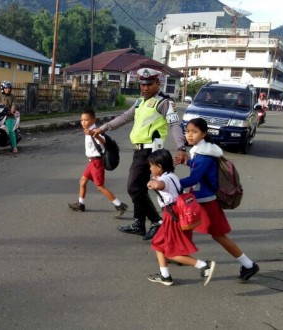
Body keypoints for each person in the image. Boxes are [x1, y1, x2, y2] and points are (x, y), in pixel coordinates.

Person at [93, 68, 188, 240]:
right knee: (140, 187)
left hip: (152, 151)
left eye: (149, 84)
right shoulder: (140, 102)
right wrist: (103, 128)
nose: (145, 88)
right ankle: (138, 223)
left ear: (158, 83)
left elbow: (175, 125)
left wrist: (181, 148)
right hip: (140, 150)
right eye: (142, 85)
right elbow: (124, 117)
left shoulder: (164, 103)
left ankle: (156, 221)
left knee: (134, 187)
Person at [176, 118, 260, 281]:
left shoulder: (204, 155)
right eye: (187, 131)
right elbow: (199, 169)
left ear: (204, 133)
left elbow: (195, 178)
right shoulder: (201, 151)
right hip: (200, 199)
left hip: (206, 202)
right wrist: (187, 161)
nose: (189, 135)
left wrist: (170, 182)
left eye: (194, 132)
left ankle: (249, 265)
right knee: (184, 226)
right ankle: (180, 255)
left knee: (217, 235)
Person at [145, 149, 216, 286]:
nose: (150, 168)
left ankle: (203, 265)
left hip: (171, 216)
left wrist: (151, 184)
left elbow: (160, 185)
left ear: (159, 166)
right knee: (157, 244)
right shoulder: (172, 176)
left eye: (151, 165)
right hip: (176, 213)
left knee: (170, 252)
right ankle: (165, 276)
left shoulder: (164, 180)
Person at [68, 110, 128, 219]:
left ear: (93, 120)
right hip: (91, 162)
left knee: (100, 187)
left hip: (97, 162)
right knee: (82, 181)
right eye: (82, 120)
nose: (83, 122)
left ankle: (120, 205)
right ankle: (80, 204)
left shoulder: (95, 131)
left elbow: (103, 141)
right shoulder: (88, 130)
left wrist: (94, 134)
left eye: (86, 120)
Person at [0, 81, 19, 153]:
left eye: (9, 88)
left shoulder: (13, 97)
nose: (8, 89)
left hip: (9, 116)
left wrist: (12, 110)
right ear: (3, 88)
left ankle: (14, 147)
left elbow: (14, 104)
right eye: (6, 88)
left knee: (10, 131)